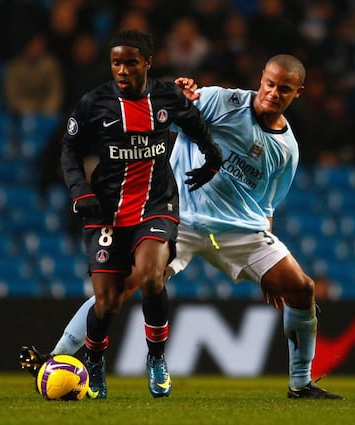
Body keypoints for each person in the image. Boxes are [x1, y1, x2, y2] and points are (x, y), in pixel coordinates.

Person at [21, 54, 342, 400]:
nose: (274, 93)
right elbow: (166, 109)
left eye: (284, 89)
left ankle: (301, 384)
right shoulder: (223, 101)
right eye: (270, 83)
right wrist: (180, 90)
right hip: (182, 218)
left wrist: (267, 263)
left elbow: (266, 205)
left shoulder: (287, 150)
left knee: (301, 288)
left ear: (298, 93)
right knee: (119, 286)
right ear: (261, 78)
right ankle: (54, 359)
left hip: (241, 231)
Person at [19, 28, 222, 400]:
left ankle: (157, 358)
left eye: (131, 62)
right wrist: (80, 191)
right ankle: (94, 364)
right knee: (107, 303)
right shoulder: (93, 104)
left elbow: (196, 126)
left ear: (148, 62)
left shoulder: (167, 97)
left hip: (156, 204)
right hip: (107, 211)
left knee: (150, 276)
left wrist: (212, 157)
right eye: (116, 62)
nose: (123, 70)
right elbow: (69, 152)